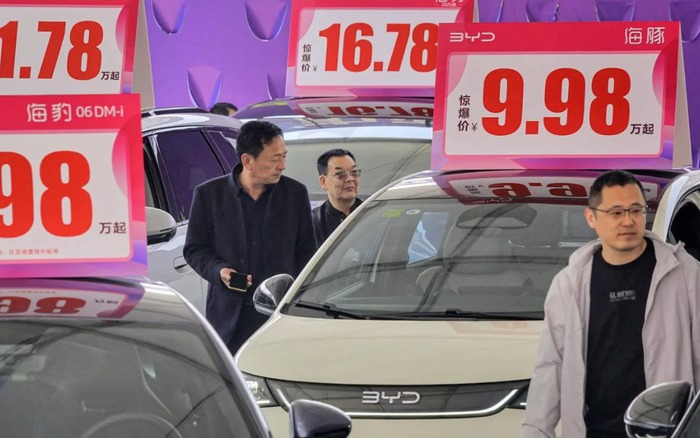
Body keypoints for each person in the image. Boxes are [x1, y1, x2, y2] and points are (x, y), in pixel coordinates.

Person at [522, 170, 700, 438]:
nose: (628, 221)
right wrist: (537, 431)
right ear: (591, 218)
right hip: (593, 431)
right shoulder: (569, 284)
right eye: (616, 212)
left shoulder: (684, 274)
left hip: (665, 431)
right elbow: (550, 367)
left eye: (636, 210)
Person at [184, 120, 317, 353]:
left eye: (284, 157)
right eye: (275, 159)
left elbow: (307, 253)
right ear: (247, 161)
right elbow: (195, 249)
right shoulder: (209, 195)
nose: (282, 166)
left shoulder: (294, 194)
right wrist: (220, 271)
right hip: (229, 317)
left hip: (279, 315)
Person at [312, 149, 363, 244]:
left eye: (354, 172)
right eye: (340, 174)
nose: (350, 179)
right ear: (323, 182)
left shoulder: (372, 214)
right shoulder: (313, 223)